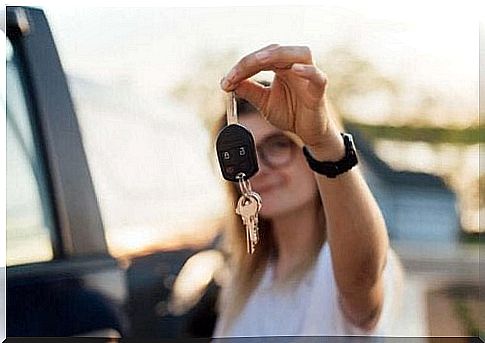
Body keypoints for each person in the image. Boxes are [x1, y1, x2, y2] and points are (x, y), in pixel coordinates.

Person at [211, 44, 403, 338]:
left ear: (309, 150)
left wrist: (324, 142)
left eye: (278, 144)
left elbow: (362, 278)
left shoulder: (336, 265)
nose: (258, 169)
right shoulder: (244, 278)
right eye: (245, 153)